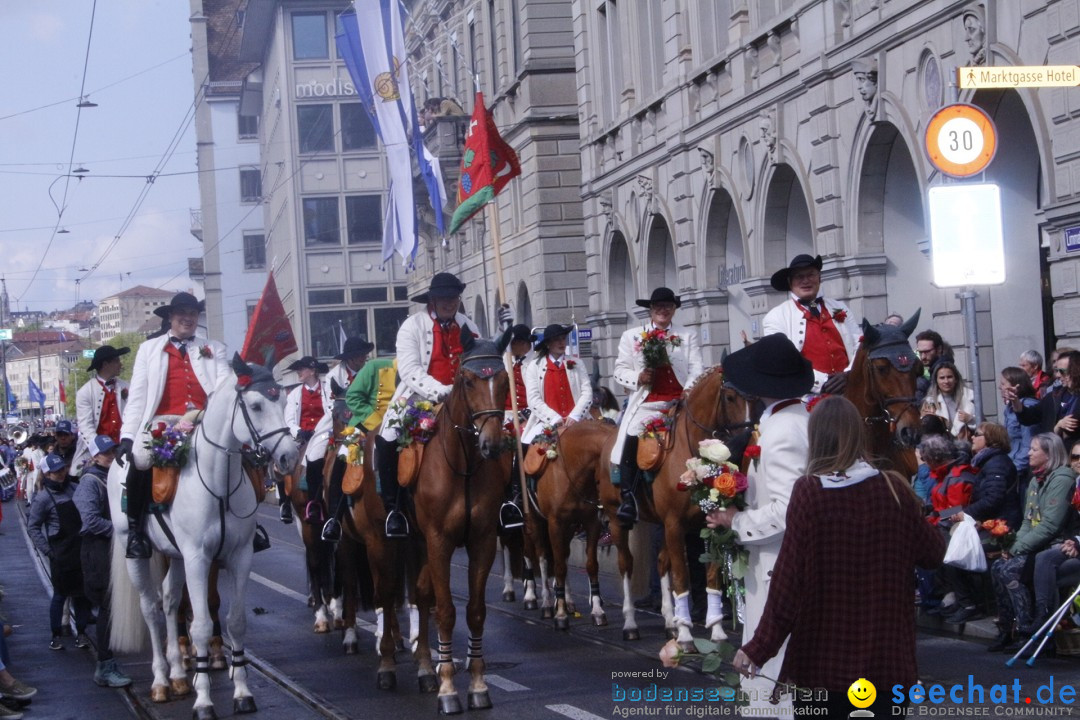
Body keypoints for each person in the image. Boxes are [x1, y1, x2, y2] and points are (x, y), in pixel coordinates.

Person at [731, 397, 943, 717]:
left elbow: (788, 584)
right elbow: (934, 553)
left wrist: (758, 648)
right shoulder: (895, 490)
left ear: (817, 438)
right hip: (886, 664)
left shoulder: (810, 493)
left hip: (824, 667)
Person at [705, 333, 814, 715]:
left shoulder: (783, 430)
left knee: (772, 667)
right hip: (777, 559)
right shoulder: (793, 417)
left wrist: (737, 520)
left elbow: (789, 508)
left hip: (776, 562)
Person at [377, 272, 508, 538]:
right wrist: (440, 391)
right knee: (387, 435)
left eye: (454, 298)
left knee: (501, 435)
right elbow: (411, 370)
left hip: (468, 397)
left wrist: (504, 331)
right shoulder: (411, 326)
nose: (450, 303)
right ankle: (394, 508)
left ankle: (505, 503)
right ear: (432, 300)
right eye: (444, 299)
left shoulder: (468, 326)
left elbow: (485, 361)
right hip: (419, 397)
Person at [117, 292, 230, 559]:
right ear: (170, 317)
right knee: (141, 459)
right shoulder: (149, 349)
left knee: (238, 457)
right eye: (182, 313)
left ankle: (247, 526)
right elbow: (138, 397)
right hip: (163, 422)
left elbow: (225, 387)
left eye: (192, 313)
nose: (188, 318)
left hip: (204, 421)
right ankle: (136, 531)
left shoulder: (214, 348)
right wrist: (127, 435)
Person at [611, 287, 703, 527]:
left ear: (674, 310)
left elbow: (696, 368)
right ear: (651, 310)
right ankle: (629, 496)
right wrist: (638, 377)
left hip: (681, 402)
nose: (664, 310)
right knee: (631, 433)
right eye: (659, 307)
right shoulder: (632, 336)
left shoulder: (688, 335)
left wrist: (689, 389)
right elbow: (619, 371)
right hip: (649, 403)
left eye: (668, 307)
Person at [988, 432, 1078, 652]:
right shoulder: (1035, 480)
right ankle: (1007, 628)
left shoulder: (1062, 479)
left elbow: (1050, 525)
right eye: (1074, 456)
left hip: (1053, 543)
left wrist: (1018, 549)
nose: (1028, 453)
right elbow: (1029, 522)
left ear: (1049, 454)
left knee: (1011, 571)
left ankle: (1029, 631)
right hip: (1040, 543)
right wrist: (1011, 547)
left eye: (1034, 449)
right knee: (998, 566)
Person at [936, 422, 1020, 625]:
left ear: (990, 440)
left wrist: (964, 514)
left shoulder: (997, 464)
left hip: (999, 526)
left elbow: (993, 499)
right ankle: (960, 597)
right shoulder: (986, 462)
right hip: (985, 520)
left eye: (978, 435)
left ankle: (969, 604)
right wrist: (940, 512)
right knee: (939, 524)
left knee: (951, 548)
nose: (972, 437)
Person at [72, 435, 133, 688]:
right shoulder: (90, 481)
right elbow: (91, 521)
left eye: (113, 451)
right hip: (98, 550)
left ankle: (108, 662)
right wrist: (124, 530)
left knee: (113, 606)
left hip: (110, 547)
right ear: (95, 456)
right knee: (107, 608)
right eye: (106, 453)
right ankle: (105, 666)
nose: (111, 455)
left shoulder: (112, 475)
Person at [318, 355, 399, 542]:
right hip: (366, 424)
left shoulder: (419, 373)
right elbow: (353, 397)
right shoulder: (375, 367)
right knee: (343, 455)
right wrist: (377, 423)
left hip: (400, 424)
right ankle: (334, 519)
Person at [762, 254, 861, 393]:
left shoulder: (840, 307)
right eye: (799, 277)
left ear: (819, 278)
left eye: (811, 275)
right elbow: (782, 359)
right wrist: (823, 382)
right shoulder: (776, 317)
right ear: (790, 283)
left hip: (850, 388)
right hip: (805, 394)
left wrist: (848, 374)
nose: (806, 281)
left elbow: (860, 344)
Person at [26, 452, 94, 651]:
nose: (61, 474)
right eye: (56, 472)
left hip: (81, 551)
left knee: (82, 596)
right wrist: (48, 551)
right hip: (61, 554)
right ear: (47, 474)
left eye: (62, 469)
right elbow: (33, 527)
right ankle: (55, 635)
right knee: (60, 596)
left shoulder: (75, 488)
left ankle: (81, 633)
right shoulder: (43, 498)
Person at [284, 356, 333, 524]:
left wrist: (319, 431)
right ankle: (285, 502)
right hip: (301, 436)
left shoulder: (327, 390)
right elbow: (289, 419)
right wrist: (300, 432)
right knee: (281, 458)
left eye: (302, 368)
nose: (299, 372)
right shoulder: (294, 394)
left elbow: (330, 413)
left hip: (323, 433)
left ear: (312, 371)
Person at [74, 345, 130, 475]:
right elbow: (85, 427)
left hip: (123, 448)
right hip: (99, 452)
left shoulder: (126, 386)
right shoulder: (85, 392)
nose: (120, 364)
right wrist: (100, 451)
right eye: (116, 360)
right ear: (105, 364)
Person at [1018, 350, 1080, 453]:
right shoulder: (1054, 396)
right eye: (1056, 371)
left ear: (1075, 370)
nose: (1058, 375)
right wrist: (1015, 400)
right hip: (1059, 456)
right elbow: (1029, 417)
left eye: (1062, 371)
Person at [1000, 367, 1039, 482]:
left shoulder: (1028, 406)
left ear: (1016, 386)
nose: (1000, 387)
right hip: (1012, 463)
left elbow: (1029, 442)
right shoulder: (1009, 408)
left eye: (1003, 384)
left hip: (1024, 470)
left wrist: (1015, 470)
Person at [921, 360, 975, 438]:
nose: (946, 381)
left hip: (965, 446)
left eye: (949, 377)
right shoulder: (929, 403)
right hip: (941, 446)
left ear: (956, 379)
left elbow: (982, 426)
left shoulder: (969, 397)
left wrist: (970, 419)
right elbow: (924, 430)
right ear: (936, 381)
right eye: (942, 378)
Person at [914, 329, 954, 405]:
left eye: (927, 352)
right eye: (920, 352)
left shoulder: (942, 368)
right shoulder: (940, 366)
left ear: (939, 349)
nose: (923, 357)